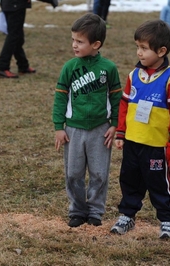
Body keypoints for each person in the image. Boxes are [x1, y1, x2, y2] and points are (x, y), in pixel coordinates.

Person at [110, 19, 170, 239]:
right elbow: (124, 105)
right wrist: (121, 133)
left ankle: (166, 220)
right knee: (129, 180)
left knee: (159, 184)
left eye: (144, 48)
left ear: (161, 51)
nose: (139, 52)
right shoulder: (133, 75)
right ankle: (127, 216)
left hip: (156, 144)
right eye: (137, 47)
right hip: (133, 141)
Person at [52, 13, 122, 228]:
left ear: (96, 44)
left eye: (80, 41)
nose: (74, 45)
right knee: (73, 173)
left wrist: (115, 124)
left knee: (99, 173)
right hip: (73, 130)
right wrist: (58, 127)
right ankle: (77, 210)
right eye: (73, 40)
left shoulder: (108, 68)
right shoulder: (69, 67)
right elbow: (60, 97)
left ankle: (95, 211)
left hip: (101, 130)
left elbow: (117, 97)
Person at [0, 0, 37, 78]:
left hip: (12, 4)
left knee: (18, 36)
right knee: (13, 36)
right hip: (15, 4)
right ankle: (2, 67)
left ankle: (23, 65)